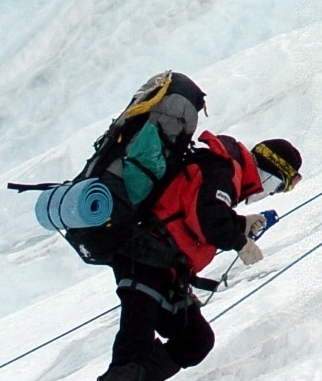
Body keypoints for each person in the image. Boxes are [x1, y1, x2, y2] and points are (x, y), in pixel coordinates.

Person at [99, 136, 302, 381]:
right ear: (272, 174)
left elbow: (195, 211)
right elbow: (209, 219)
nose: (274, 193)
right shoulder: (224, 169)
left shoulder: (224, 171)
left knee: (194, 339)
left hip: (163, 265)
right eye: (282, 186)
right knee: (133, 350)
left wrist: (239, 224)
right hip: (146, 257)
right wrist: (239, 242)